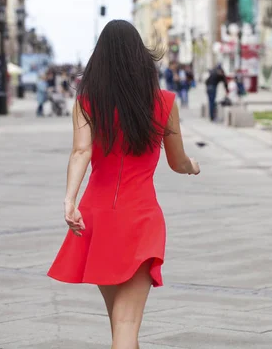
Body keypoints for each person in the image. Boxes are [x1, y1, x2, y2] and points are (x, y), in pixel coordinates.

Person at [47, 20, 200, 349]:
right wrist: (192, 167)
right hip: (140, 218)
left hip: (96, 218)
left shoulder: (87, 103)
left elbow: (81, 151)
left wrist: (69, 201)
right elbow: (177, 161)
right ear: (140, 57)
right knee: (127, 325)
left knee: (120, 324)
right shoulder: (164, 102)